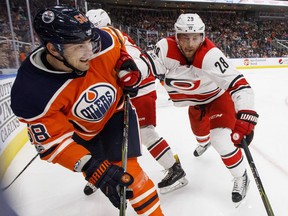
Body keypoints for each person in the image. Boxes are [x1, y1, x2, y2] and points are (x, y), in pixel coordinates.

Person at [10, 5, 164, 215]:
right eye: (79, 46)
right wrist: (91, 167)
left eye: (90, 42)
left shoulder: (103, 41)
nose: (90, 52)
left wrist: (126, 63)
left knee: (132, 179)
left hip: (116, 115)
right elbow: (53, 142)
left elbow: (118, 43)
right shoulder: (31, 92)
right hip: (82, 134)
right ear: (54, 49)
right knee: (102, 173)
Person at [150, 13, 259, 205]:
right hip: (195, 103)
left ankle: (241, 176)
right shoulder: (165, 49)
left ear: (203, 36)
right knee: (200, 136)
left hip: (218, 99)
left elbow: (240, 85)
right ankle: (204, 141)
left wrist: (246, 115)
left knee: (220, 140)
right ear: (177, 37)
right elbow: (148, 68)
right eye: (185, 37)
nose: (191, 44)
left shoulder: (210, 55)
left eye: (195, 38)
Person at [86, 8, 188, 194]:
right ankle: (102, 172)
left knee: (144, 132)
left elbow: (132, 62)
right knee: (107, 132)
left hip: (138, 88)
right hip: (130, 87)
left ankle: (175, 170)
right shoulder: (115, 35)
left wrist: (129, 79)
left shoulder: (108, 35)